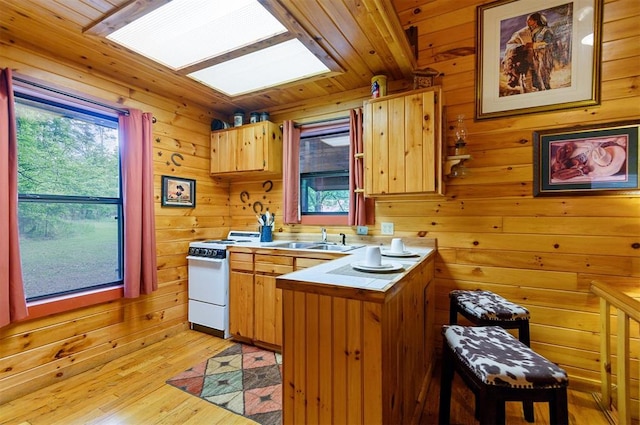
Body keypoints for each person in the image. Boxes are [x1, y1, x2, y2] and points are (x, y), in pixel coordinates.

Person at [503, 12, 554, 93]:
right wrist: (522, 47)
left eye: (530, 20)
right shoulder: (521, 33)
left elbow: (549, 43)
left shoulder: (545, 31)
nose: (527, 22)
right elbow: (510, 45)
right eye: (527, 20)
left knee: (543, 81)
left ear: (536, 21)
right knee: (526, 81)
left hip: (541, 60)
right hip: (525, 60)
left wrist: (536, 45)